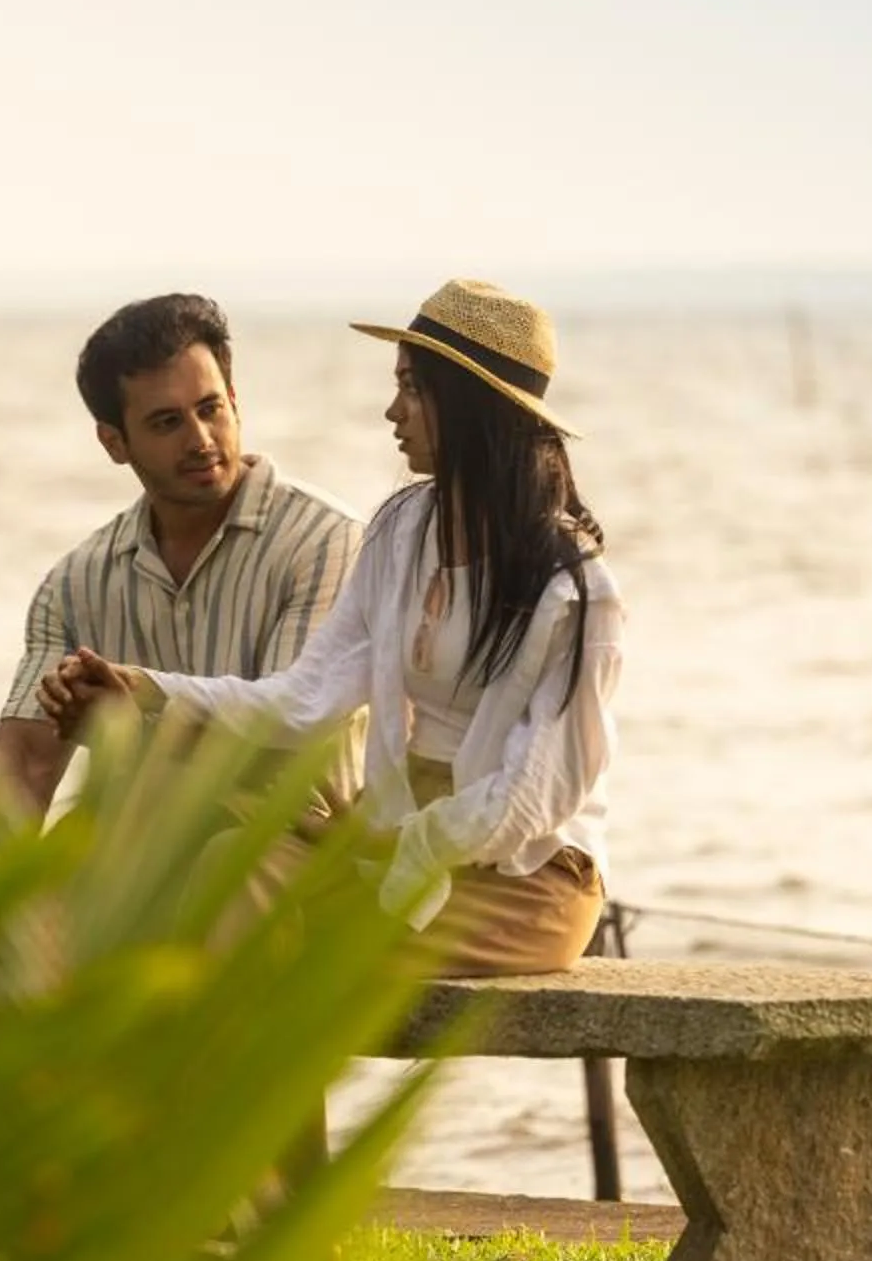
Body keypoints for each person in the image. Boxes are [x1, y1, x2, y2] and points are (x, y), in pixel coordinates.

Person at [42, 278, 620, 976]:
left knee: (273, 924)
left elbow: (531, 802)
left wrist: (399, 844)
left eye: (411, 389)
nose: (391, 411)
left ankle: (238, 1074)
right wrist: (146, 688)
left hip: (522, 882)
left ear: (466, 408)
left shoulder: (574, 590)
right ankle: (229, 1076)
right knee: (235, 861)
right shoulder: (403, 533)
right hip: (403, 845)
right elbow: (305, 699)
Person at [0, 292, 363, 818]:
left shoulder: (326, 543)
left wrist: (132, 723)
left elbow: (283, 746)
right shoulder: (74, 586)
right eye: (166, 423)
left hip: (293, 864)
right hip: (134, 872)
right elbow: (22, 762)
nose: (201, 439)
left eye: (210, 409)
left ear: (234, 402)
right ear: (115, 443)